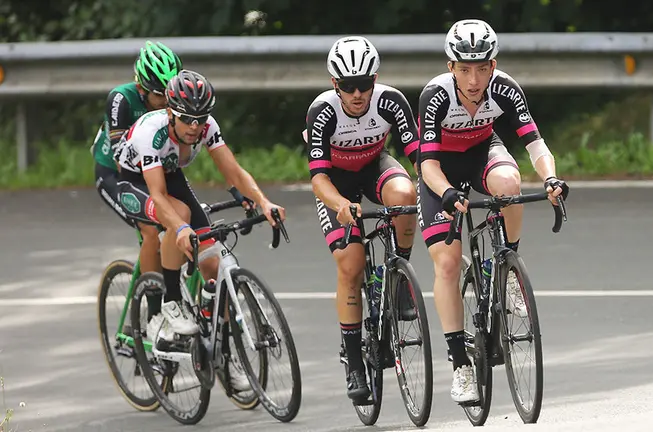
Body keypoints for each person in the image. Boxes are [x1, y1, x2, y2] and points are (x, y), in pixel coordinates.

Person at [416, 19, 569, 403]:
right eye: (464, 69)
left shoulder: (504, 89)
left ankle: (506, 263)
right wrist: (448, 193)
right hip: (440, 173)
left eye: (482, 68)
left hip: (483, 152)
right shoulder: (435, 95)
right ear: (451, 66)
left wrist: (551, 179)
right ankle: (460, 367)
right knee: (448, 265)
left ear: (493, 65)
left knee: (509, 186)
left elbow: (536, 146)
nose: (473, 78)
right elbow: (427, 165)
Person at [113, 69, 286, 391]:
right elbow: (159, 195)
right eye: (186, 119)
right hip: (133, 179)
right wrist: (179, 228)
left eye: (201, 119)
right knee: (176, 217)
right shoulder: (152, 133)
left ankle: (221, 356)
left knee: (211, 262)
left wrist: (263, 202)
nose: (195, 127)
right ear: (169, 113)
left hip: (171, 170)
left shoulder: (206, 127)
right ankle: (171, 303)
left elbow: (232, 170)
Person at [304, 35, 420, 401]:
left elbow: (419, 157)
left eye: (365, 84)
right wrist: (339, 203)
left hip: (373, 166)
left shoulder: (390, 101)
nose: (357, 94)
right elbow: (318, 178)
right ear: (334, 84)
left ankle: (399, 275)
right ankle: (354, 361)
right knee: (351, 266)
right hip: (335, 184)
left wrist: (438, 188)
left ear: (376, 79)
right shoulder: (322, 111)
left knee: (405, 196)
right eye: (348, 86)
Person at [92, 40, 182, 318]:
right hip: (115, 174)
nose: (167, 104)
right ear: (141, 87)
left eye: (171, 95)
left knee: (182, 221)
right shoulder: (121, 99)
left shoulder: (168, 102)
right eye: (159, 96)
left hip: (151, 169)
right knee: (152, 232)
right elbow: (122, 159)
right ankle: (155, 314)